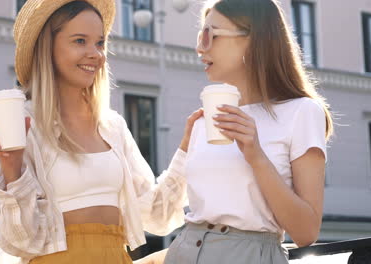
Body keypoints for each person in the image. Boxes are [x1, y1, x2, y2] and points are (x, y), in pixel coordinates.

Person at [0, 0, 202, 263]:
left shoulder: (112, 126)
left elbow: (156, 214)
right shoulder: (23, 122)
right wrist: (12, 170)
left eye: (99, 43)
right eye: (79, 41)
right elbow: (21, 240)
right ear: (48, 48)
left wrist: (189, 146)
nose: (95, 54)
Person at [136, 0, 333, 263]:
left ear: (253, 39)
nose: (199, 48)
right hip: (185, 250)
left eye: (211, 35)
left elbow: (306, 232)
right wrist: (184, 149)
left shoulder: (302, 112)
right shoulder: (206, 119)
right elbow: (159, 215)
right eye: (200, 35)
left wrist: (256, 156)